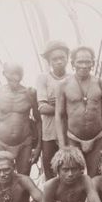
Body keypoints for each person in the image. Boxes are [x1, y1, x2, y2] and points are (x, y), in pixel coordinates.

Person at [55, 46, 102, 177]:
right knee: (73, 176)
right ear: (73, 63)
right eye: (80, 62)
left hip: (97, 138)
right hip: (73, 139)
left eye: (87, 62)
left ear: (93, 63)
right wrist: (62, 145)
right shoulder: (63, 85)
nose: (84, 66)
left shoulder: (100, 82)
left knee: (96, 176)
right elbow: (59, 115)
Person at [0, 62, 41, 175]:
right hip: (2, 143)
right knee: (2, 179)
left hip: (24, 143)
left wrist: (38, 148)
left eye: (18, 74)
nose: (15, 77)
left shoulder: (30, 93)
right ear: (4, 74)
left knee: (24, 179)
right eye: (11, 74)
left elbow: (38, 121)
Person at [37, 40, 70, 180]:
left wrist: (57, 103)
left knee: (70, 165)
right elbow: (42, 108)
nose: (59, 62)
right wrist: (66, 104)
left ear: (67, 59)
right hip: (49, 132)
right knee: (50, 168)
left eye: (62, 58)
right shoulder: (43, 78)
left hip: (69, 131)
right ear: (49, 61)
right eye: (54, 59)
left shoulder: (73, 78)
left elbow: (80, 106)